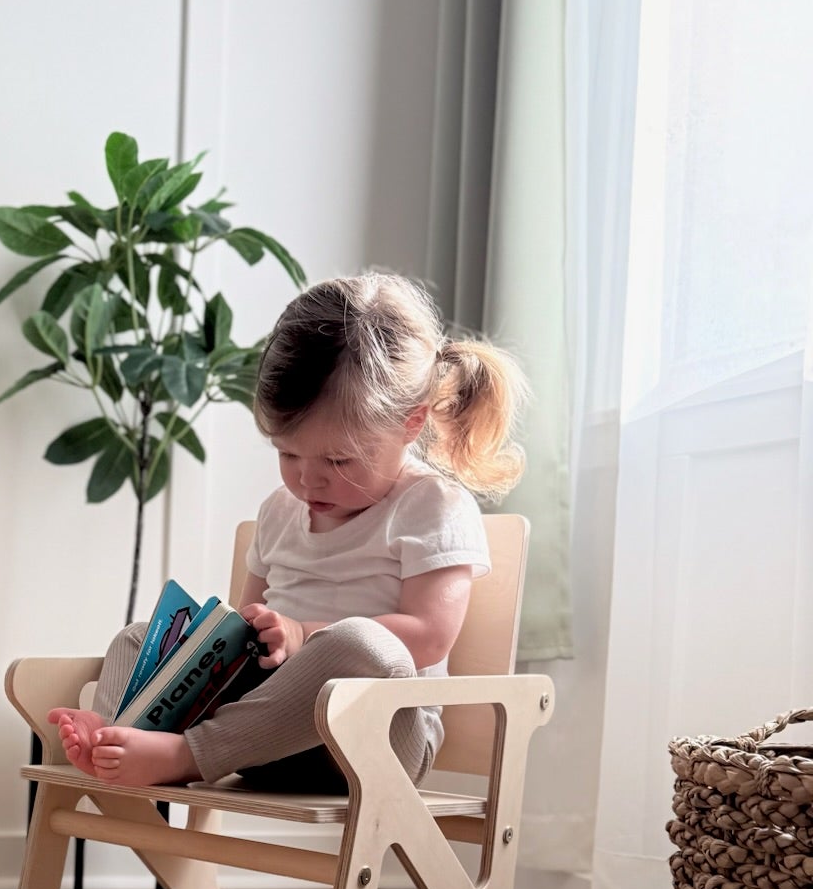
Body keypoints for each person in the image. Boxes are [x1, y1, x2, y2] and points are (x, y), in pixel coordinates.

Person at [50, 271, 528, 794]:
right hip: (262, 736)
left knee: (363, 644)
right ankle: (123, 733)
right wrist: (226, 643)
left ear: (411, 424)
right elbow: (238, 634)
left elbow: (429, 636)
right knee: (139, 637)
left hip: (374, 744)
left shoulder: (431, 504)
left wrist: (303, 633)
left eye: (339, 459)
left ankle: (186, 755)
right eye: (288, 454)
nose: (307, 478)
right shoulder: (280, 511)